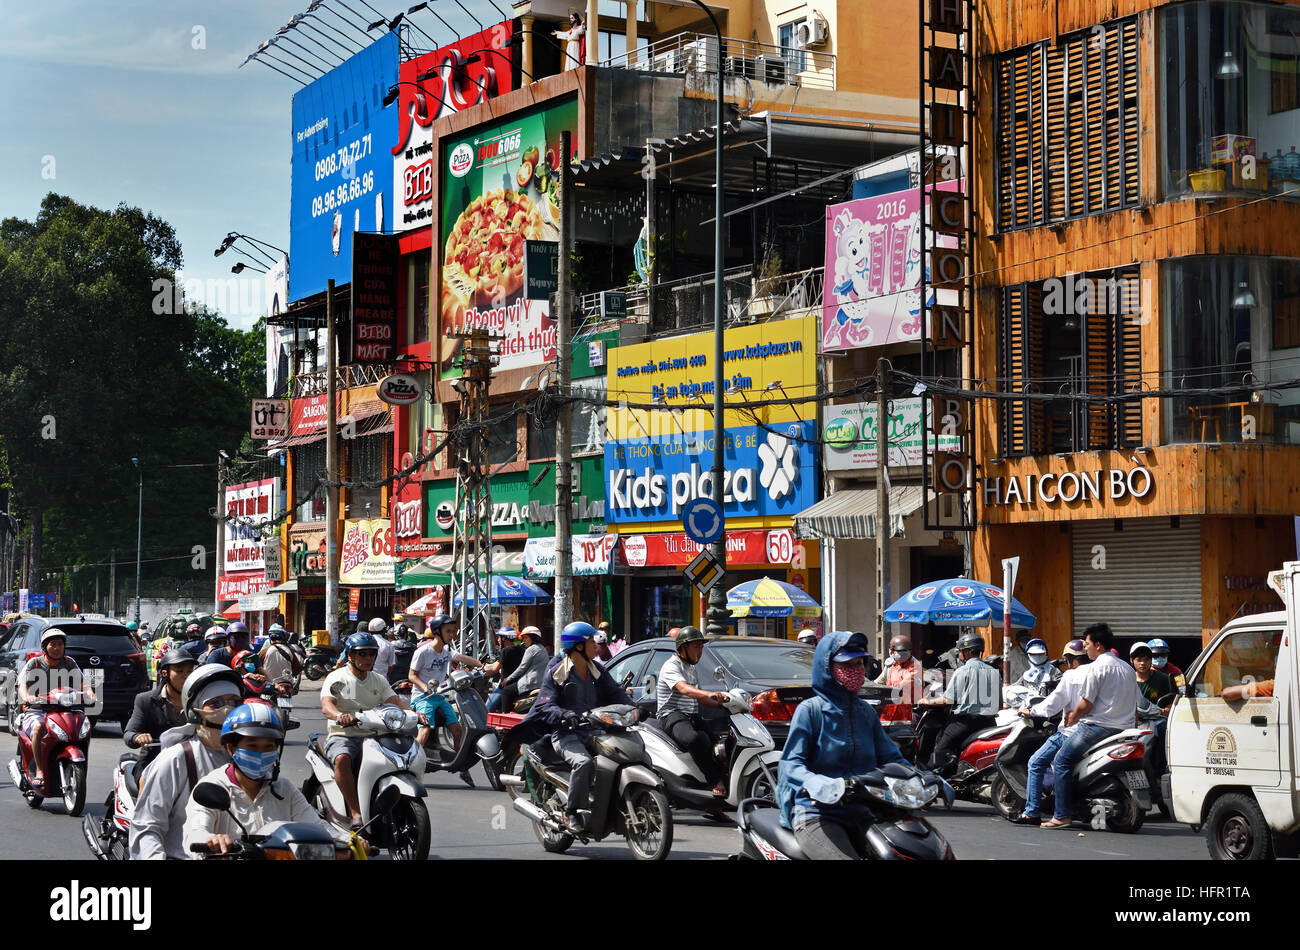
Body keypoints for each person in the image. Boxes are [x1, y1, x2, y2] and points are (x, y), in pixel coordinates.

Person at [776, 630, 907, 859]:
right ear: (828, 668)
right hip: (817, 813)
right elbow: (790, 764)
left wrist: (927, 777)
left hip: (866, 809)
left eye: (859, 663)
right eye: (847, 664)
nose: (856, 670)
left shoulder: (865, 711)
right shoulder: (810, 711)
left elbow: (892, 758)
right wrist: (815, 781)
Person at [183, 703, 346, 857]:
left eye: (268, 746)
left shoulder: (284, 788)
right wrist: (210, 840)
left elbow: (317, 825)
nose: (260, 754)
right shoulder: (213, 786)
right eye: (252, 746)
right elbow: (195, 832)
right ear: (231, 749)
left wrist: (346, 839)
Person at [524, 620, 633, 834]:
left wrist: (633, 709)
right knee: (583, 763)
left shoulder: (596, 670)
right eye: (592, 642)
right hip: (566, 734)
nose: (597, 646)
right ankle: (572, 812)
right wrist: (564, 714)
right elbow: (546, 703)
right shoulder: (558, 672)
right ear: (579, 646)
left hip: (595, 730)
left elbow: (616, 692)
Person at [129, 664, 243, 859]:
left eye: (234, 702)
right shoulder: (176, 759)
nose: (227, 710)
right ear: (195, 711)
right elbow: (146, 829)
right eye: (216, 704)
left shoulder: (251, 757)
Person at [1036, 623, 1140, 829]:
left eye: (1088, 644)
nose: (1086, 648)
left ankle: (1062, 815)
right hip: (1125, 730)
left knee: (1062, 760)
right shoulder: (1127, 669)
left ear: (1099, 645)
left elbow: (1086, 703)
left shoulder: (1097, 668)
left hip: (1097, 728)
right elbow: (1136, 705)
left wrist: (1073, 715)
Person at [320, 632, 425, 830]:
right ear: (350, 655)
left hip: (376, 734)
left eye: (372, 654)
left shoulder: (378, 679)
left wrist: (414, 714)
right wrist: (339, 715)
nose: (368, 659)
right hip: (344, 734)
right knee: (343, 759)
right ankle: (355, 812)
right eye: (362, 654)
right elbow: (328, 705)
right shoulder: (339, 678)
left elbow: (395, 701)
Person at [1011, 638, 1091, 824]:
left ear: (1071, 660)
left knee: (1036, 762)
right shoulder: (1099, 673)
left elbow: (1052, 704)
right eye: (1034, 655)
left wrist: (1031, 711)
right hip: (1097, 729)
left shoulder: (1066, 675)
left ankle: (1033, 812)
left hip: (1071, 730)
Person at [656, 626, 729, 801]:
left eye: (701, 647)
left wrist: (725, 704)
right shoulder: (671, 666)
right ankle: (715, 782)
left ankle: (720, 796)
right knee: (694, 739)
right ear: (683, 648)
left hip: (691, 716)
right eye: (696, 647)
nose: (700, 651)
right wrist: (709, 694)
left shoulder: (691, 668)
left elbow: (701, 699)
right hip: (671, 715)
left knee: (719, 745)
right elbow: (684, 689)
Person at [16, 629, 96, 787]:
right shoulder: (35, 663)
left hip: (64, 708)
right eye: (53, 644)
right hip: (37, 709)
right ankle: (39, 770)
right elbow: (22, 685)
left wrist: (90, 693)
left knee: (83, 726)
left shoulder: (68, 662)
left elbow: (83, 682)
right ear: (45, 647)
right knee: (39, 727)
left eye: (60, 644)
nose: (57, 648)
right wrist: (27, 697)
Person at [408, 616, 482, 785]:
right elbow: (411, 675)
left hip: (440, 697)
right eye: (448, 631)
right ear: (436, 632)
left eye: (454, 631)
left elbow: (462, 658)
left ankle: (463, 769)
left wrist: (482, 666)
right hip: (423, 697)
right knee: (425, 731)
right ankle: (410, 767)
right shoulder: (423, 652)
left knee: (457, 730)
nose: (452, 634)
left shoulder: (447, 651)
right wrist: (425, 687)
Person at [919, 631, 1001, 776]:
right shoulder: (994, 672)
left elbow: (948, 699)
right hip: (990, 722)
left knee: (941, 748)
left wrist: (926, 701)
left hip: (965, 722)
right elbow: (999, 703)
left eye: (961, 651)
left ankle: (944, 777)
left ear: (968, 652)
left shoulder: (962, 671)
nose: (960, 655)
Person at [123, 648, 195, 778]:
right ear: (165, 673)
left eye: (190, 671)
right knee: (146, 785)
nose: (186, 675)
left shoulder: (201, 702)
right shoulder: (145, 700)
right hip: (153, 763)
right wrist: (138, 738)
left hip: (192, 762)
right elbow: (129, 733)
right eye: (179, 671)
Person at [494, 625, 548, 712]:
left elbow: (522, 668)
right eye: (523, 638)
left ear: (533, 638)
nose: (523, 640)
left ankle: (505, 716)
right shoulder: (542, 649)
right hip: (540, 682)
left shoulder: (531, 649)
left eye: (526, 638)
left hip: (531, 682)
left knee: (506, 691)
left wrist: (507, 679)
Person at [873, 633, 923, 722]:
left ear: (910, 651)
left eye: (904, 651)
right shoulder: (890, 666)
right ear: (891, 651)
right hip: (890, 708)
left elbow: (898, 688)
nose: (901, 654)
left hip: (908, 710)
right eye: (898, 651)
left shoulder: (915, 667)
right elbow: (878, 682)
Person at [484, 627, 524, 712]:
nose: (498, 639)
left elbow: (495, 669)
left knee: (486, 711)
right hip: (518, 685)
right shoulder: (521, 650)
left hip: (505, 687)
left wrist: (483, 670)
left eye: (499, 637)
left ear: (505, 638)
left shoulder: (505, 651)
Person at [1129, 642, 1172, 712]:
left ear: (1151, 660)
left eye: (1146, 659)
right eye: (1139, 660)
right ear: (1132, 660)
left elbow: (1172, 702)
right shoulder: (1127, 680)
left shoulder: (1163, 679)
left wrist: (1164, 711)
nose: (1142, 663)